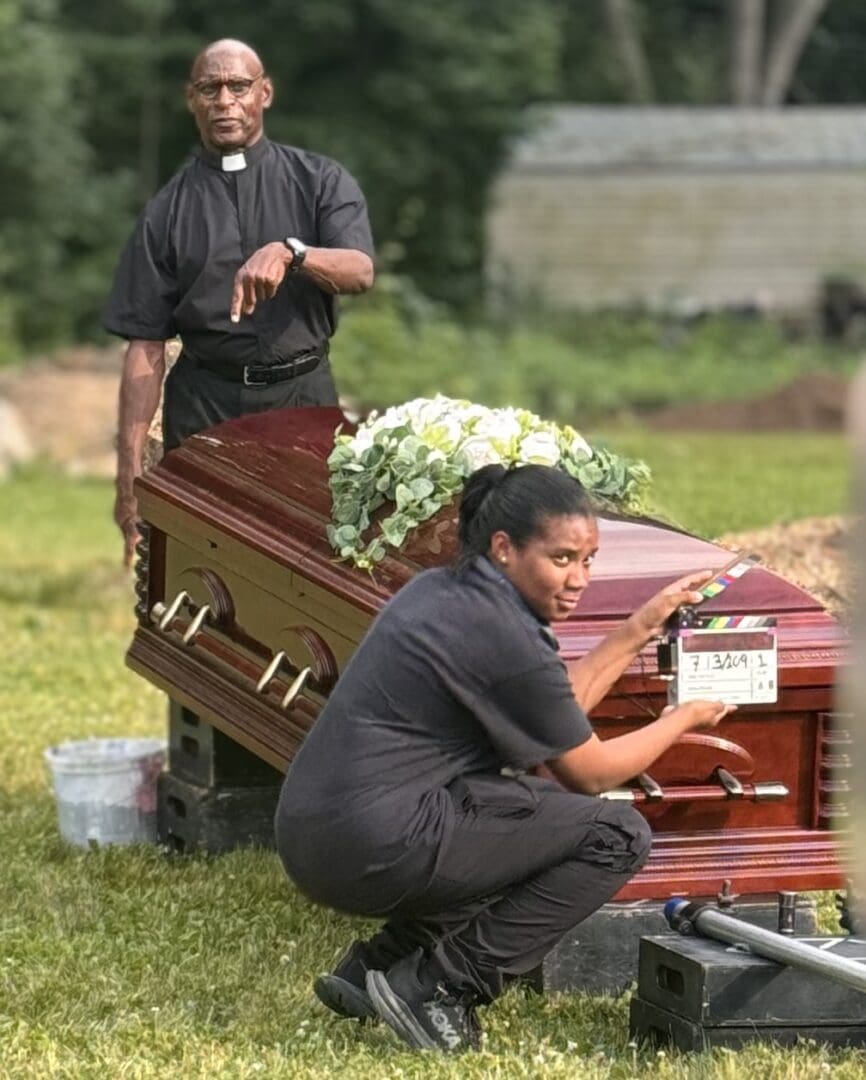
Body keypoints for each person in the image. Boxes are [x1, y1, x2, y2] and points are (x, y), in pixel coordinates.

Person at [274, 463, 735, 1053]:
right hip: (371, 847)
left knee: (528, 809)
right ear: (504, 549)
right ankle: (440, 987)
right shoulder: (504, 634)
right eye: (562, 559)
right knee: (616, 835)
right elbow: (589, 772)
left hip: (316, 832)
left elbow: (555, 716)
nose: (579, 579)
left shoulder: (443, 590)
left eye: (590, 559)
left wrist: (640, 626)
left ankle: (377, 968)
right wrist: (683, 717)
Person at [103, 39, 375, 565]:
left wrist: (292, 253)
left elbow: (359, 270)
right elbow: (145, 346)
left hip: (302, 396)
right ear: (192, 100)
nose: (225, 100)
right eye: (210, 88)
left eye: (239, 86)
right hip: (206, 404)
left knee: (308, 559)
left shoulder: (318, 181)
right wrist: (128, 476)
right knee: (206, 561)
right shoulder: (167, 210)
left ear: (264, 93)